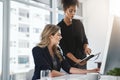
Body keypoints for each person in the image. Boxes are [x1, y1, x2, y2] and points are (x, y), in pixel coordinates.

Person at [32, 24, 99, 80]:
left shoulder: (57, 50)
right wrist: (66, 75)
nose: (61, 37)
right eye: (58, 35)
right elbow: (49, 73)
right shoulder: (37, 50)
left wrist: (90, 71)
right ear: (50, 36)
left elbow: (69, 68)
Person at [57, 0, 91, 69]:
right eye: (70, 11)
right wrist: (76, 60)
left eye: (75, 11)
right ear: (64, 10)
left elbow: (84, 40)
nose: (73, 13)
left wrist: (86, 48)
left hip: (83, 60)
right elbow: (65, 50)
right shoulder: (59, 27)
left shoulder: (78, 23)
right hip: (70, 63)